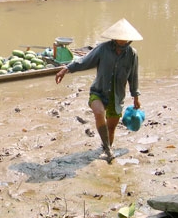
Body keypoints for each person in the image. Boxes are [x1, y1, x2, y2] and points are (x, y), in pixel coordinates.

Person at [54, 18, 143, 163]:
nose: (122, 41)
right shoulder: (103, 49)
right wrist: (67, 68)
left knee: (111, 128)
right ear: (114, 37)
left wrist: (136, 96)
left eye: (124, 38)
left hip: (117, 96)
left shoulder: (132, 54)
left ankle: (106, 148)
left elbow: (133, 76)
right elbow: (85, 61)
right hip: (99, 92)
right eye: (119, 37)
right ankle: (108, 150)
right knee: (99, 112)